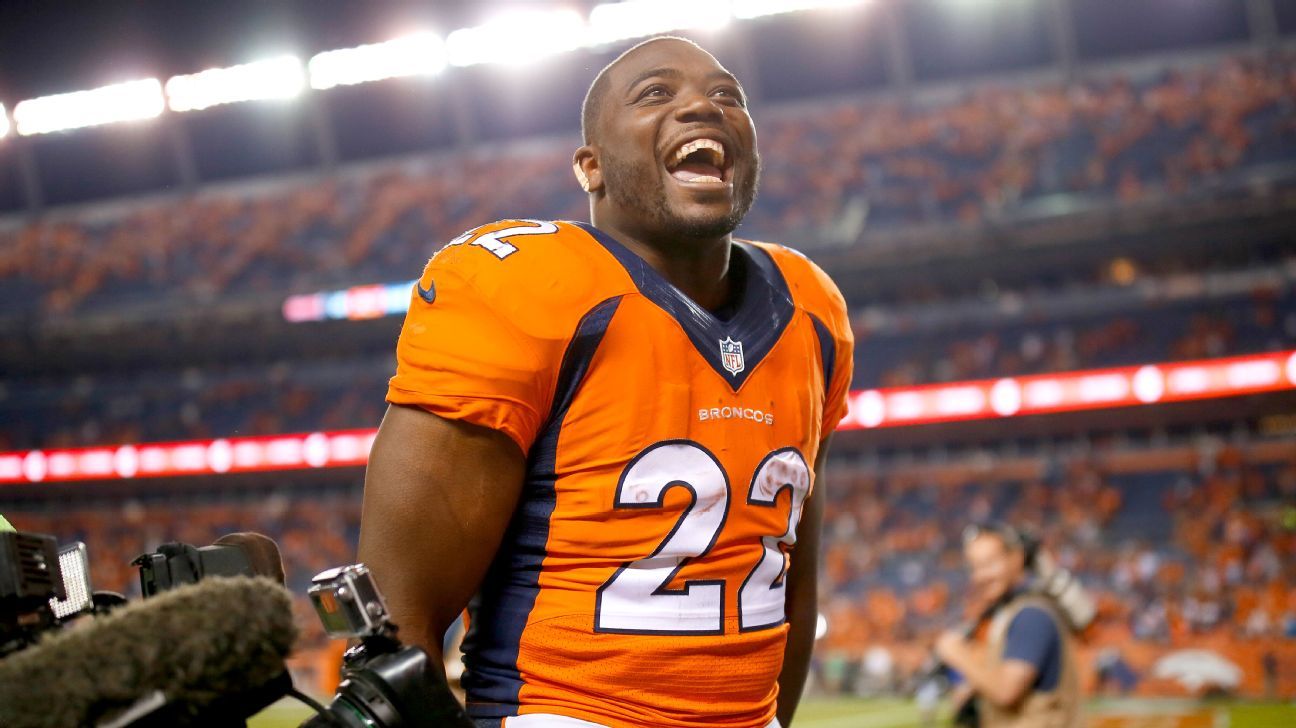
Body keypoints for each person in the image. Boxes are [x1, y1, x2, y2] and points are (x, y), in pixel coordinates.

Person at [357, 36, 854, 728]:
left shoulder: (812, 307)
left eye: (727, 97)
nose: (701, 108)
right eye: (656, 94)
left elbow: (794, 579)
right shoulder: (526, 284)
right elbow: (398, 616)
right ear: (591, 167)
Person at [934, 523, 1082, 728]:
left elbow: (1006, 692)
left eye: (989, 564)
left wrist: (957, 653)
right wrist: (974, 687)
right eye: (975, 567)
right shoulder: (1014, 613)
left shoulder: (1031, 615)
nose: (981, 575)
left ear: (1016, 558)